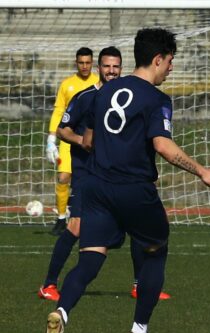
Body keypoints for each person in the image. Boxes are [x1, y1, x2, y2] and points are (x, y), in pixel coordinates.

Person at [42, 28, 210, 333]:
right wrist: (202, 171)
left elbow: (91, 139)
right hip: (133, 189)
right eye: (170, 62)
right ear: (157, 59)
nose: (171, 69)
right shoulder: (156, 99)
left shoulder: (105, 90)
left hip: (96, 187)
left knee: (91, 259)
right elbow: (162, 146)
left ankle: (62, 313)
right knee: (157, 247)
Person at [37, 46, 171, 303]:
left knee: (137, 225)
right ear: (99, 68)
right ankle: (49, 284)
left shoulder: (126, 96)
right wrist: (82, 141)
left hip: (113, 175)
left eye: (116, 66)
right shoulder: (87, 97)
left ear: (122, 68)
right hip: (87, 173)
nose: (112, 71)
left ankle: (139, 284)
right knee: (75, 227)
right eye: (107, 66)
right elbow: (63, 129)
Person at [46, 47, 99, 236]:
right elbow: (59, 110)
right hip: (68, 142)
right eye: (81, 62)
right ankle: (61, 218)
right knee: (63, 178)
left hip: (92, 143)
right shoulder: (67, 84)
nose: (84, 66)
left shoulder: (98, 83)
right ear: (76, 63)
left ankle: (88, 218)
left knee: (90, 182)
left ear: (92, 63)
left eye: (88, 62)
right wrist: (51, 138)